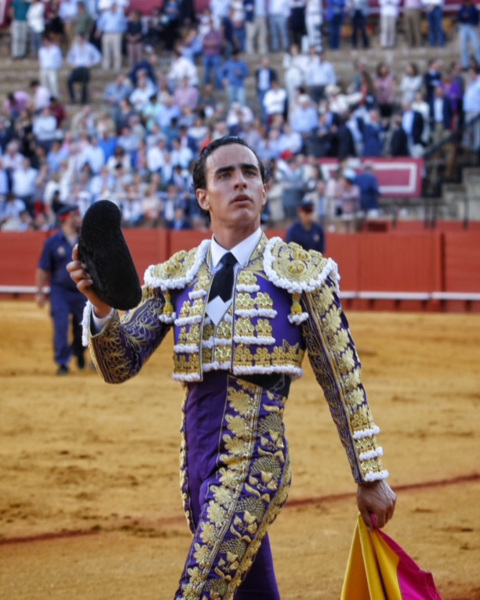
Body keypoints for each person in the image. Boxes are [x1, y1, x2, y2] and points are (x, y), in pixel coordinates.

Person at [67, 136, 396, 599]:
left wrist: (371, 476)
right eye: (224, 175)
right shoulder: (178, 275)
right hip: (195, 464)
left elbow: (342, 379)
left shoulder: (301, 273)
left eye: (249, 173)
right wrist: (102, 309)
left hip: (256, 462)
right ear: (203, 197)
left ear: (264, 191)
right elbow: (120, 364)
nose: (239, 181)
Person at [38, 205, 87, 375]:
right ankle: (63, 362)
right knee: (60, 325)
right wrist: (39, 293)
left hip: (83, 290)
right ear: (67, 218)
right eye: (77, 215)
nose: (80, 218)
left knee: (83, 327)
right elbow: (43, 269)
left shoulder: (86, 241)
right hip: (59, 291)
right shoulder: (52, 243)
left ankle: (79, 352)